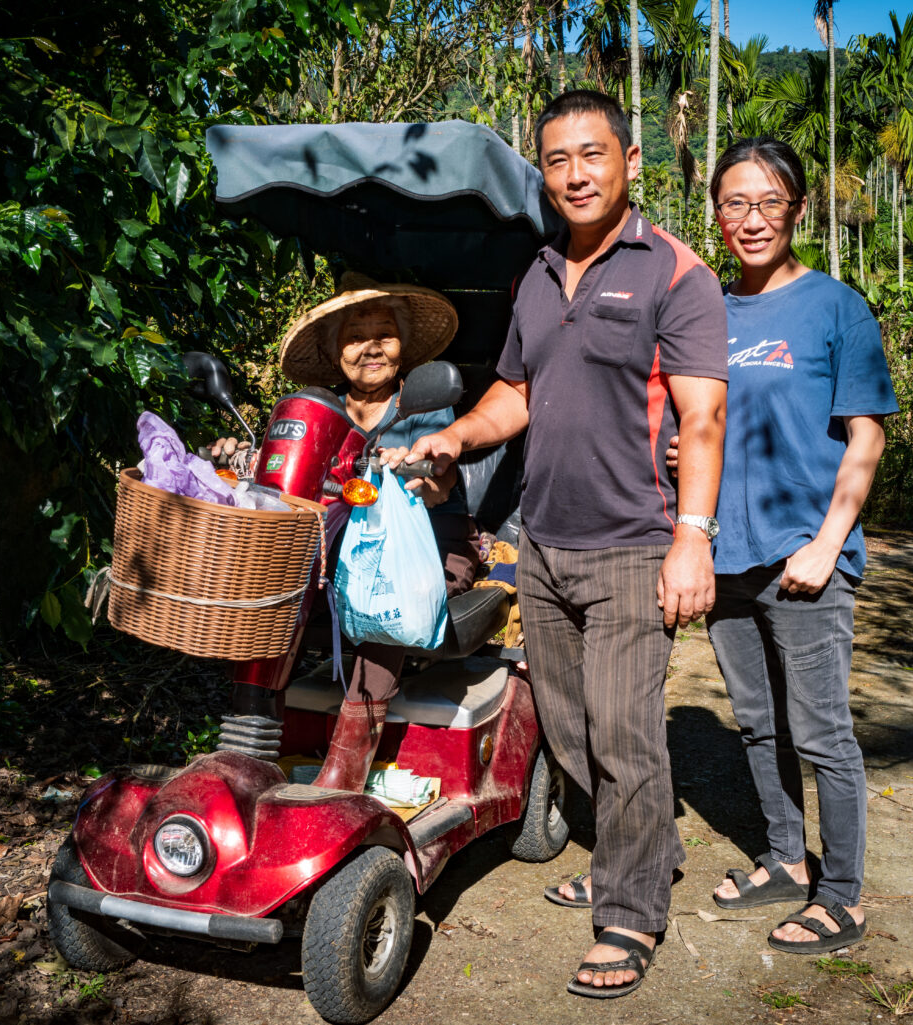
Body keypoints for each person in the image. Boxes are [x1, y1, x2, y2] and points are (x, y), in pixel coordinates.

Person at [407, 89, 729, 998]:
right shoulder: (539, 274)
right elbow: (516, 391)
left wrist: (691, 540)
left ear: (631, 160)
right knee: (570, 724)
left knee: (627, 731)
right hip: (540, 543)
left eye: (594, 154)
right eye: (558, 159)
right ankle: (644, 847)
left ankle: (628, 911)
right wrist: (457, 437)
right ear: (542, 173)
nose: (577, 173)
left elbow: (702, 419)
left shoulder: (677, 274)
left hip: (635, 541)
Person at [670, 136, 896, 954]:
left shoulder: (835, 306)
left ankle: (842, 894)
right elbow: (694, 419)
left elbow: (865, 437)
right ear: (717, 213)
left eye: (769, 202)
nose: (752, 219)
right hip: (726, 553)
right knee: (758, 724)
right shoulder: (706, 311)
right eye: (736, 202)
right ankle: (782, 857)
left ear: (798, 209)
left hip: (805, 554)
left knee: (822, 728)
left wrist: (829, 544)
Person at [221, 275, 479, 792]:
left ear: (403, 347)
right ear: (334, 350)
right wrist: (240, 455)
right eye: (356, 336)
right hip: (329, 548)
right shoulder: (319, 408)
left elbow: (441, 476)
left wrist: (420, 468)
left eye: (385, 333)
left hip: (425, 550)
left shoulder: (422, 405)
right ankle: (245, 748)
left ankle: (345, 772)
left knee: (384, 600)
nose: (372, 348)